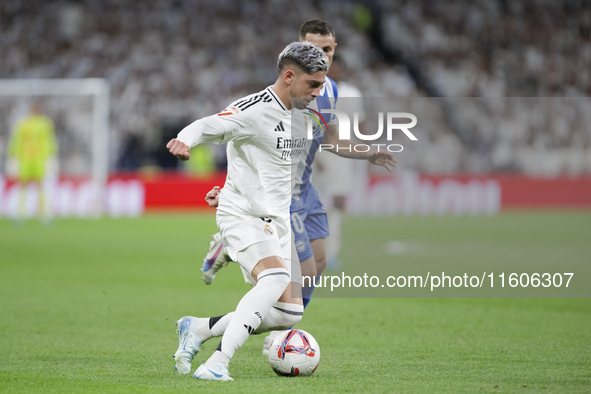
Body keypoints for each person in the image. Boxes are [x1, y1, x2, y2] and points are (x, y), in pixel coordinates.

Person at [200, 20, 396, 354]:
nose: (322, 54)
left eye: (328, 49)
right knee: (298, 279)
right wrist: (232, 191)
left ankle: (270, 318)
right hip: (281, 197)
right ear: (297, 49)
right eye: (314, 48)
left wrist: (368, 152)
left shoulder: (330, 90)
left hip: (305, 190)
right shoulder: (282, 97)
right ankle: (255, 331)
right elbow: (250, 147)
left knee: (318, 263)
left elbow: (331, 139)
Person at [166, 41, 328, 381]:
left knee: (288, 313)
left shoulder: (307, 116)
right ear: (288, 76)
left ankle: (197, 328)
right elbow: (208, 125)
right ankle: (218, 363)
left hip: (277, 220)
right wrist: (185, 139)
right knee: (275, 278)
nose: (319, 90)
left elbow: (273, 169)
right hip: (242, 215)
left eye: (321, 83)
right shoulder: (253, 110)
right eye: (313, 83)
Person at [313, 54, 367, 269]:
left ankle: (331, 252)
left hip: (344, 149)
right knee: (310, 200)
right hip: (318, 148)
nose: (334, 71)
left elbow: (360, 122)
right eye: (329, 68)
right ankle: (307, 249)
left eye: (337, 67)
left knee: (338, 200)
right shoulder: (316, 91)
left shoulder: (353, 93)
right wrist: (313, 153)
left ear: (342, 69)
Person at [6, 102, 58, 224]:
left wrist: (51, 156)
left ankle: (43, 213)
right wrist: (13, 156)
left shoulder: (45, 124)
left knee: (41, 185)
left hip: (39, 160)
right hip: (25, 160)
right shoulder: (22, 124)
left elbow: (49, 141)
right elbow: (16, 141)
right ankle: (21, 213)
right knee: (22, 185)